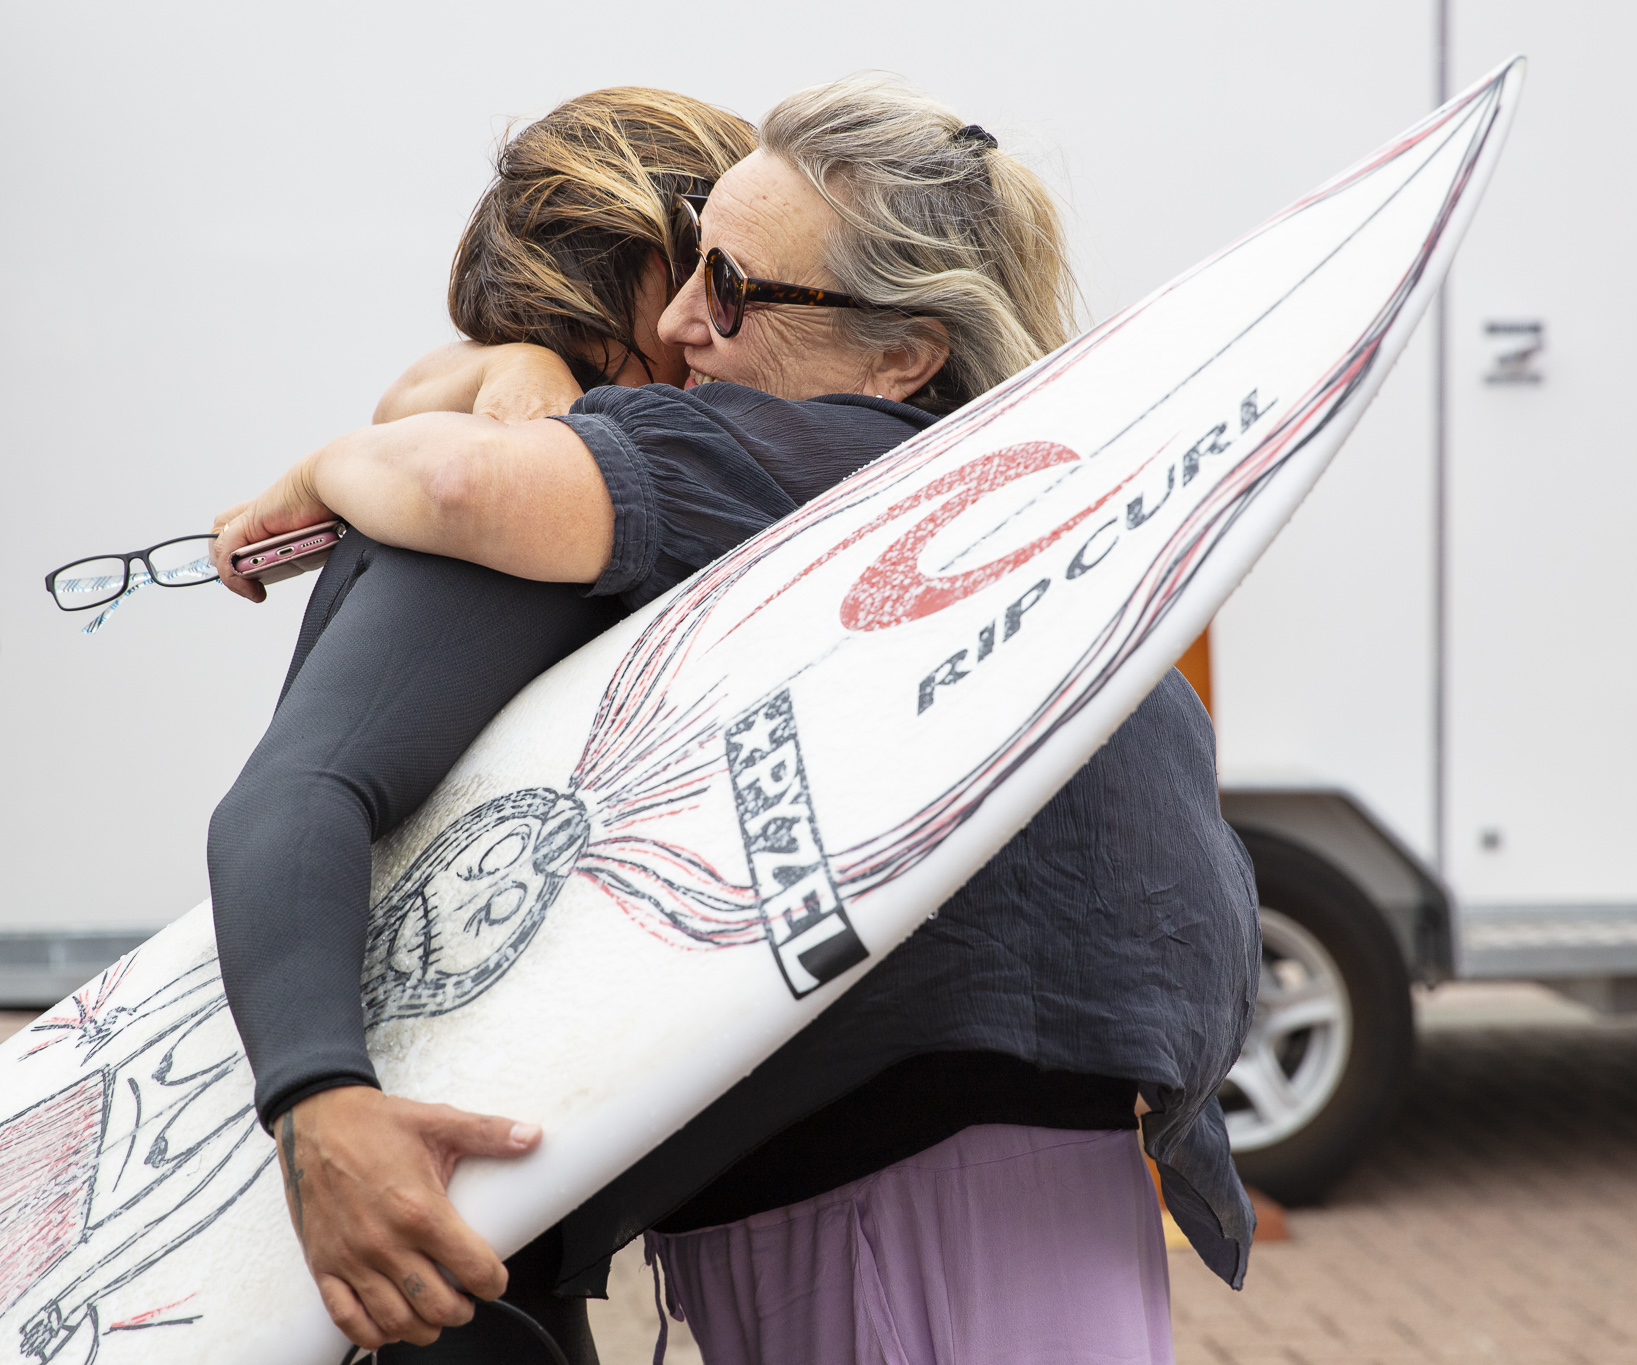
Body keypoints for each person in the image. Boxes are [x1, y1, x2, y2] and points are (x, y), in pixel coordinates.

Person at [214, 75, 1258, 1365]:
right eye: (691, 271)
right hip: (970, 1171)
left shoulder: (762, 461)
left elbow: (415, 522)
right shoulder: (998, 490)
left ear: (901, 354)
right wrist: (510, 370)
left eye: (735, 287)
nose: (685, 324)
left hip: (896, 1191)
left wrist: (331, 465)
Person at [207, 85, 756, 1362]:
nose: (712, 320)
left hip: (466, 1226)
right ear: (639, 268)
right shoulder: (518, 513)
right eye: (708, 275)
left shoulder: (523, 448)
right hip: (411, 1225)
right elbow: (290, 798)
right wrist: (323, 1106)